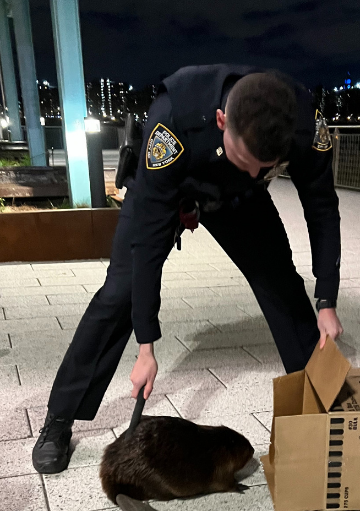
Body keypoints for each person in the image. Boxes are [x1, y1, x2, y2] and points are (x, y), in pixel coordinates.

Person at [31, 65, 343, 474]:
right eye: (246, 159)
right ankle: (59, 419)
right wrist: (146, 344)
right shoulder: (174, 120)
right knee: (118, 295)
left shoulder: (303, 124)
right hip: (169, 192)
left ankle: (322, 404)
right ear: (221, 121)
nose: (255, 171)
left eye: (264, 167)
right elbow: (145, 246)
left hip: (238, 200)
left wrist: (327, 300)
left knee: (282, 284)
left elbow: (321, 207)